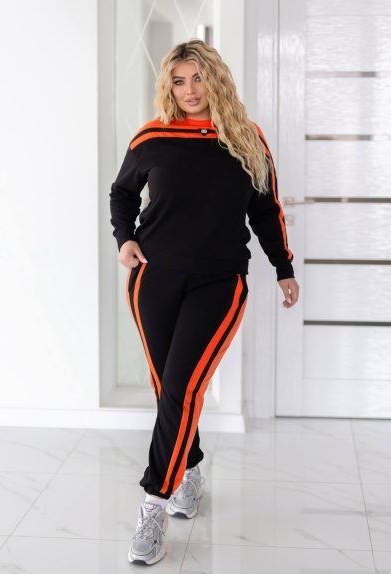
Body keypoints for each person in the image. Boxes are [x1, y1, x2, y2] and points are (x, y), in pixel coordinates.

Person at [109, 38, 300, 565]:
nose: (189, 90)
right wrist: (125, 238)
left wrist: (283, 266)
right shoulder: (152, 136)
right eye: (179, 81)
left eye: (198, 79)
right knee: (169, 387)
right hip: (153, 280)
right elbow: (122, 193)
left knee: (182, 385)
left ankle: (153, 505)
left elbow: (266, 209)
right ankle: (190, 466)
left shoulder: (246, 138)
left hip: (220, 281)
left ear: (215, 81)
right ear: (168, 87)